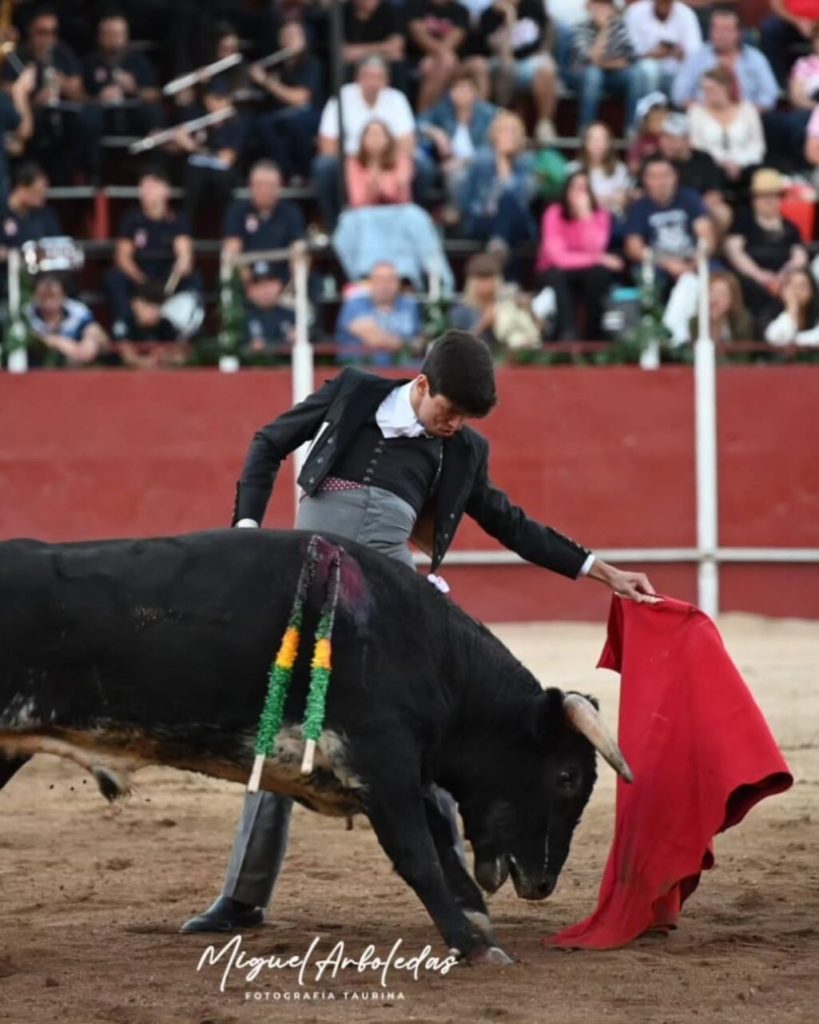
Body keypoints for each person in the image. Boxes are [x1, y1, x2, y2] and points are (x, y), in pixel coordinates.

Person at [180, 329, 658, 935]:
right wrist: (246, 531)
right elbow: (268, 443)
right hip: (309, 587)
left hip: (389, 607)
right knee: (279, 732)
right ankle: (243, 899)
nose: (454, 424)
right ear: (422, 385)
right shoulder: (352, 393)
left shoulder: (462, 450)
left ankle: (462, 889)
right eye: (448, 410)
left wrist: (601, 571)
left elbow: (510, 523)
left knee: (419, 740)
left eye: (465, 416)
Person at [313, 55, 415, 229]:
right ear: (358, 78)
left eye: (379, 77)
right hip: (351, 160)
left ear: (387, 80)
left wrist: (382, 159)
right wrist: (358, 161)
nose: (373, 82)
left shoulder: (397, 99)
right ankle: (335, 227)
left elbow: (407, 144)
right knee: (324, 166)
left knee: (422, 165)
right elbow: (327, 144)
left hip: (388, 160)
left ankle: (409, 224)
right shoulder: (341, 97)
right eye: (368, 76)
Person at [624, 155, 714, 344]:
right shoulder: (640, 207)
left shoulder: (690, 198)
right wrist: (668, 263)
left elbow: (706, 235)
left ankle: (688, 335)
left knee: (721, 279)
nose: (660, 181)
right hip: (658, 264)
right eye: (654, 176)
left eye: (665, 175)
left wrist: (694, 262)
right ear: (646, 181)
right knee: (646, 278)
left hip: (692, 259)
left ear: (675, 177)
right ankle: (668, 337)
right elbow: (633, 247)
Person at [222, 160, 306, 354]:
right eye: (259, 185)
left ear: (279, 187)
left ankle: (295, 341)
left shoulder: (290, 213)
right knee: (229, 292)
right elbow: (232, 251)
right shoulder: (238, 211)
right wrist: (250, 285)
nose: (265, 190)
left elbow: (299, 254)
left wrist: (283, 287)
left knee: (309, 288)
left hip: (282, 286)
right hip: (248, 285)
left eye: (270, 185)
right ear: (251, 187)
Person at [3, 4, 92, 184]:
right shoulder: (18, 55)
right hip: (32, 122)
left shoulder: (63, 53)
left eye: (52, 32)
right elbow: (5, 90)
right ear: (31, 31)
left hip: (62, 118)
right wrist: (29, 96)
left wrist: (61, 83)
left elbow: (81, 94)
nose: (48, 38)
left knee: (87, 121)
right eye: (42, 32)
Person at [105, 168, 196, 340]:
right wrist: (143, 285)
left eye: (152, 186)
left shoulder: (177, 219)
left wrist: (181, 266)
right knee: (114, 278)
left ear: (166, 190)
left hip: (166, 280)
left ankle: (181, 335)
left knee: (194, 280)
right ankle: (124, 326)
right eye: (143, 187)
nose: (146, 192)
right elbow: (122, 257)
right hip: (140, 277)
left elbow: (185, 255)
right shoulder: (132, 218)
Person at [535, 171, 621, 340]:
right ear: (566, 191)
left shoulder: (601, 215)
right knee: (557, 277)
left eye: (585, 188)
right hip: (554, 270)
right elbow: (558, 259)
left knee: (599, 275)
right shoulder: (553, 213)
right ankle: (568, 333)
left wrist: (585, 216)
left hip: (587, 269)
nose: (580, 193)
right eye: (575, 188)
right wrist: (598, 258)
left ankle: (594, 334)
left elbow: (596, 247)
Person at [724, 167, 809, 332]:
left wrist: (784, 275)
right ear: (754, 200)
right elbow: (734, 251)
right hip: (751, 279)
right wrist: (760, 275)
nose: (768, 201)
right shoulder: (743, 222)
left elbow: (800, 256)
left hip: (784, 280)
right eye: (763, 197)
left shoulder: (790, 227)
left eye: (773, 196)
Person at [81, 10, 163, 170]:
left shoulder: (139, 62)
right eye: (108, 34)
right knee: (89, 116)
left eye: (118, 34)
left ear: (126, 36)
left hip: (133, 115)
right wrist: (99, 98)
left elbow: (155, 94)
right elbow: (78, 97)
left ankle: (156, 172)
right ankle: (93, 173)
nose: (114, 39)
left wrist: (134, 89)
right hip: (104, 118)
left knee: (153, 112)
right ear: (99, 37)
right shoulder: (90, 63)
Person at [455, 111, 537, 267]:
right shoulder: (480, 160)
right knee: (498, 223)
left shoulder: (526, 162)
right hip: (482, 219)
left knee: (507, 203)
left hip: (516, 220)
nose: (509, 136)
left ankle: (497, 246)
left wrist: (503, 163)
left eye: (513, 132)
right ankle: (511, 278)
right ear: (494, 135)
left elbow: (522, 197)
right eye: (504, 131)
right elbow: (465, 198)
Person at [476, 0, 559, 144]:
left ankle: (544, 125)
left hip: (529, 61)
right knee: (507, 67)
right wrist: (510, 17)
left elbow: (548, 33)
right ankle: (501, 119)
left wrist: (544, 52)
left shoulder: (534, 5)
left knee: (547, 68)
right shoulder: (488, 15)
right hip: (499, 62)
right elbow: (503, 53)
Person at [671, 6, 779, 112]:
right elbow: (679, 95)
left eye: (726, 30)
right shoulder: (696, 58)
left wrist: (747, 114)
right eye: (716, 29)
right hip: (705, 117)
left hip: (746, 116)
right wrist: (702, 112)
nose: (720, 35)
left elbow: (770, 94)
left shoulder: (756, 59)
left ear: (738, 33)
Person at [253, 21, 323, 182]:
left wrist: (267, 82)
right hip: (280, 114)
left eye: (293, 36)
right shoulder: (277, 65)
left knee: (296, 124)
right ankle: (289, 175)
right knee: (263, 124)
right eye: (285, 36)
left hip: (307, 113)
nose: (289, 40)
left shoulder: (311, 63)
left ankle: (307, 174)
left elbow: (299, 98)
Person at [416, 68, 500, 202]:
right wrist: (436, 132)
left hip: (478, 165)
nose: (460, 93)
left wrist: (462, 162)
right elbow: (419, 123)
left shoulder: (488, 114)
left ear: (475, 93)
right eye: (456, 89)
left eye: (465, 89)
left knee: (461, 175)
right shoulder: (444, 110)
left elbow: (488, 150)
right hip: (448, 165)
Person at [687, 66, 766, 195]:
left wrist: (739, 163)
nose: (707, 94)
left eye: (711, 89)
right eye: (704, 90)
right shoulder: (696, 112)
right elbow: (697, 145)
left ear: (726, 87)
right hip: (711, 167)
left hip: (746, 165)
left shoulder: (748, 110)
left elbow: (757, 145)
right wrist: (724, 163)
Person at [566, 0, 640, 130]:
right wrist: (604, 30)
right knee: (593, 75)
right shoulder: (579, 28)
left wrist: (602, 63)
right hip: (581, 78)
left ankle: (632, 129)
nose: (602, 9)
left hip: (612, 77)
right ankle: (586, 130)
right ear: (589, 7)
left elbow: (629, 59)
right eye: (598, 4)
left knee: (638, 75)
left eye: (606, 5)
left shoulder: (619, 27)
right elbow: (590, 60)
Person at [335, 261, 423, 365]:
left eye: (390, 280)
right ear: (370, 283)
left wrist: (413, 344)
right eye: (379, 280)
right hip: (362, 370)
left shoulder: (409, 305)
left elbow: (420, 340)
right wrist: (407, 344)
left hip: (405, 369)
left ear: (399, 283)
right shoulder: (356, 304)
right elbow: (375, 340)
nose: (384, 285)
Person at [656, 112, 731, 234]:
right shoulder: (655, 159)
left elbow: (714, 194)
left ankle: (711, 250)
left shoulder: (704, 159)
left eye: (672, 138)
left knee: (722, 212)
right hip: (661, 210)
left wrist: (693, 209)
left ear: (687, 140)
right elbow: (640, 193)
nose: (665, 142)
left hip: (698, 210)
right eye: (663, 137)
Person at [624, 0, 702, 99]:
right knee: (649, 69)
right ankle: (644, 112)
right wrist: (656, 54)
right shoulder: (635, 12)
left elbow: (695, 57)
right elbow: (628, 56)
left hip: (675, 75)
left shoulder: (687, 14)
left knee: (695, 76)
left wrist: (680, 53)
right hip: (641, 74)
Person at [24, 274, 106, 367]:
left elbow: (96, 331)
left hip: (81, 360)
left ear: (63, 296)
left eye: (53, 296)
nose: (49, 302)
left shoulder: (78, 311)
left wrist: (90, 339)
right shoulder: (27, 314)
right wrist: (57, 342)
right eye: (44, 297)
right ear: (35, 296)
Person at [406, 0, 469, 112]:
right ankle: (424, 116)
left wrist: (438, 58)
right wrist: (437, 57)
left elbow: (454, 40)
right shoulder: (414, 5)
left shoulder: (461, 10)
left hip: (451, 58)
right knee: (446, 62)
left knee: (451, 62)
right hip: (416, 58)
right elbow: (419, 36)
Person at [569, 121, 631, 220]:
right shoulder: (573, 168)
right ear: (585, 142)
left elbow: (622, 200)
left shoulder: (620, 168)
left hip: (613, 220)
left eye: (602, 139)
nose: (597, 144)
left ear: (609, 143)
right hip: (582, 219)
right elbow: (571, 200)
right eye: (593, 139)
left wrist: (596, 199)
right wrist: (604, 199)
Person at [346, 120, 414, 207]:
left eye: (379, 134)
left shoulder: (401, 161)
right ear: (362, 140)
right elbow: (357, 201)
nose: (375, 139)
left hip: (397, 211)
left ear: (388, 139)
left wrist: (400, 186)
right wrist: (374, 185)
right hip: (365, 213)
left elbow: (403, 200)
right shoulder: (353, 163)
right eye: (370, 134)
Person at [342, 0, 407, 90]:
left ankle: (399, 101)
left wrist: (358, 51)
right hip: (353, 65)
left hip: (382, 60)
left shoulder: (389, 9)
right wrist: (384, 47)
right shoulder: (343, 12)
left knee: (398, 65)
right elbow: (343, 53)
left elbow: (397, 48)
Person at [684, 269, 756, 344]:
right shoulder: (695, 323)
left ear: (733, 300)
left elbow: (742, 354)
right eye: (711, 293)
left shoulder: (743, 323)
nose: (714, 300)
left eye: (721, 295)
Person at [763, 267, 819, 347]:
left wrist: (792, 341)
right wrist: (792, 310)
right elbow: (775, 339)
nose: (796, 292)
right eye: (792, 287)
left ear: (812, 290)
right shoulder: (769, 313)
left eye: (802, 286)